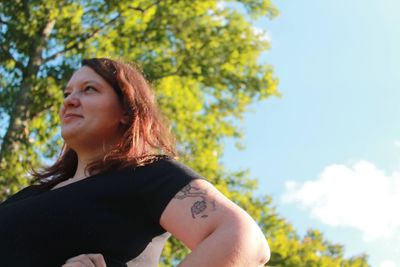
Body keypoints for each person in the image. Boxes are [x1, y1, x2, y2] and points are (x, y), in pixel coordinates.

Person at [0, 58, 270, 267]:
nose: (69, 101)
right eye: (66, 93)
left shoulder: (148, 175)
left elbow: (244, 240)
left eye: (89, 89)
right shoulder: (26, 197)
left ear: (127, 111)